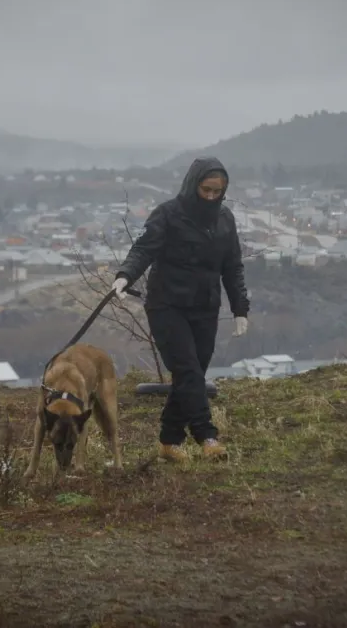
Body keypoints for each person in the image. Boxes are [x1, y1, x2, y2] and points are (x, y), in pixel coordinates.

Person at [112, 156, 250, 463]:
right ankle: (207, 436)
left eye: (218, 191)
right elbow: (143, 250)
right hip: (167, 306)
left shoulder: (225, 219)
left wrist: (240, 307)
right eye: (206, 189)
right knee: (188, 370)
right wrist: (125, 276)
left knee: (193, 374)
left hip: (205, 307)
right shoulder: (167, 215)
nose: (212, 196)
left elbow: (232, 267)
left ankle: (169, 441)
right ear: (193, 185)